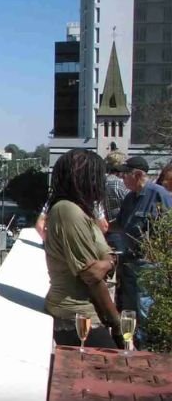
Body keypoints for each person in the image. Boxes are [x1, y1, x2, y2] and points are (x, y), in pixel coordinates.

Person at [43, 149, 122, 348]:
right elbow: (91, 275)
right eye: (96, 175)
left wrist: (108, 261)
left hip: (91, 314)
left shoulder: (83, 211)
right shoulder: (67, 211)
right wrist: (117, 323)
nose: (100, 182)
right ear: (81, 178)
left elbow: (107, 255)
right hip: (75, 320)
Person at [113, 156, 172, 347]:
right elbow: (120, 224)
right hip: (129, 264)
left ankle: (146, 350)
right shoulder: (130, 198)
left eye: (125, 175)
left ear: (138, 175)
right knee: (129, 312)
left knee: (145, 310)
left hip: (149, 266)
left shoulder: (159, 195)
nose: (122, 179)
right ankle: (129, 348)